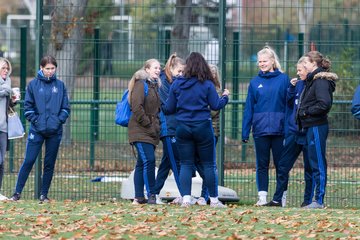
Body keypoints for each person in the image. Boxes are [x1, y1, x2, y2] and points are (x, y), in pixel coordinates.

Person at [163, 52, 230, 208]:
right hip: (203, 127)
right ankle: (213, 200)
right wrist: (225, 96)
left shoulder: (177, 84)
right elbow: (215, 105)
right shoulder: (207, 84)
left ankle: (185, 199)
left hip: (183, 127)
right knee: (209, 164)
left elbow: (169, 108)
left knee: (185, 164)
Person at [11, 55, 70, 202]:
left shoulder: (61, 86)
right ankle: (17, 193)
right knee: (29, 160)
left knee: (49, 164)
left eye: (52, 68)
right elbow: (28, 108)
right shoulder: (33, 85)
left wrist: (57, 121)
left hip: (55, 132)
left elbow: (66, 108)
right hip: (36, 131)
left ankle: (43, 195)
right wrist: (36, 121)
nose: (50, 71)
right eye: (47, 68)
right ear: (41, 68)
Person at [242, 46, 289, 206]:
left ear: (272, 61)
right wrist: (245, 130)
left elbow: (289, 105)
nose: (261, 64)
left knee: (280, 165)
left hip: (280, 130)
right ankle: (262, 197)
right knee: (261, 164)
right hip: (260, 130)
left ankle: (281, 197)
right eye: (259, 61)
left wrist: (288, 127)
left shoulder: (284, 79)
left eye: (264, 61)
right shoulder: (255, 82)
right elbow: (249, 107)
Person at [265, 56, 313, 207]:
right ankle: (277, 199)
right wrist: (291, 89)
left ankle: (307, 201)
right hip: (294, 132)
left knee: (309, 168)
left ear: (307, 69)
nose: (298, 73)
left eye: (300, 70)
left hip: (308, 131)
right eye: (297, 70)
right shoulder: (297, 84)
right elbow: (290, 102)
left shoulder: (314, 85)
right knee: (283, 165)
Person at [296, 51, 337, 209]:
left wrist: (306, 112)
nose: (303, 65)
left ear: (314, 63)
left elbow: (324, 104)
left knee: (318, 163)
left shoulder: (320, 81)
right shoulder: (312, 80)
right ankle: (312, 200)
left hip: (317, 126)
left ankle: (319, 200)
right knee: (312, 163)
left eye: (305, 62)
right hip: (309, 126)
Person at [128, 59, 161, 205]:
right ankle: (152, 194)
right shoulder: (141, 85)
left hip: (150, 131)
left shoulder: (154, 86)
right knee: (149, 160)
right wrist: (148, 124)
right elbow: (137, 107)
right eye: (155, 67)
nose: (158, 70)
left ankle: (138, 197)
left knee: (142, 163)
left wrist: (156, 126)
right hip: (140, 130)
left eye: (159, 68)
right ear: (147, 69)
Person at [154, 53, 185, 204]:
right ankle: (185, 194)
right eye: (179, 71)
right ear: (171, 68)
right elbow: (168, 106)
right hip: (168, 128)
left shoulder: (177, 82)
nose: (181, 75)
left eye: (183, 72)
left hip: (177, 126)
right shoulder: (163, 83)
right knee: (176, 162)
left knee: (166, 162)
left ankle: (153, 192)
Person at [195, 63, 222, 206]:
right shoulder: (200, 87)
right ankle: (208, 188)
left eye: (212, 72)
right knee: (197, 161)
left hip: (212, 130)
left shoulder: (215, 89)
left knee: (208, 163)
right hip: (199, 129)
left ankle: (205, 195)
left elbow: (213, 110)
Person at [0, 58, 18, 201]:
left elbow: (7, 102)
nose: (6, 71)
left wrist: (13, 101)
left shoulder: (8, 83)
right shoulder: (6, 86)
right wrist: (6, 90)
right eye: (3, 68)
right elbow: (5, 91)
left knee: (1, 161)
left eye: (7, 68)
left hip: (4, 128)